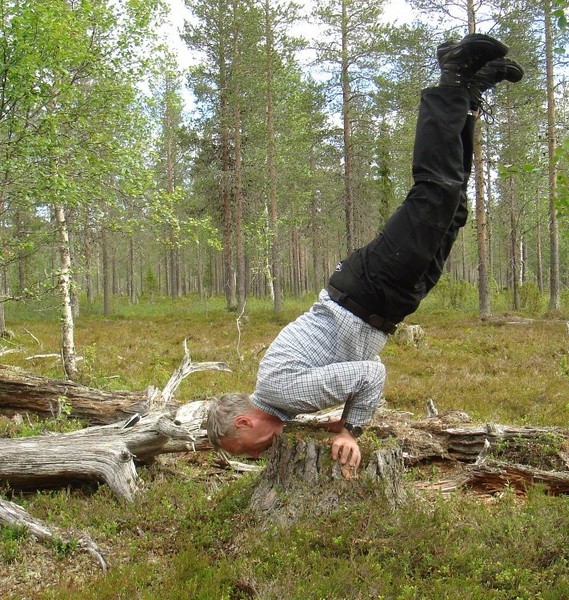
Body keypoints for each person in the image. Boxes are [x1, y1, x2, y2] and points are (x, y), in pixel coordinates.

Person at [205, 33, 523, 470]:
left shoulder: (280, 394)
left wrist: (350, 431)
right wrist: (332, 425)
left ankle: (451, 77)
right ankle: (468, 98)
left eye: (250, 449)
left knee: (436, 193)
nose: (261, 454)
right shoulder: (282, 402)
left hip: (372, 290)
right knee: (452, 208)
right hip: (377, 298)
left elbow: (370, 374)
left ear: (243, 423)